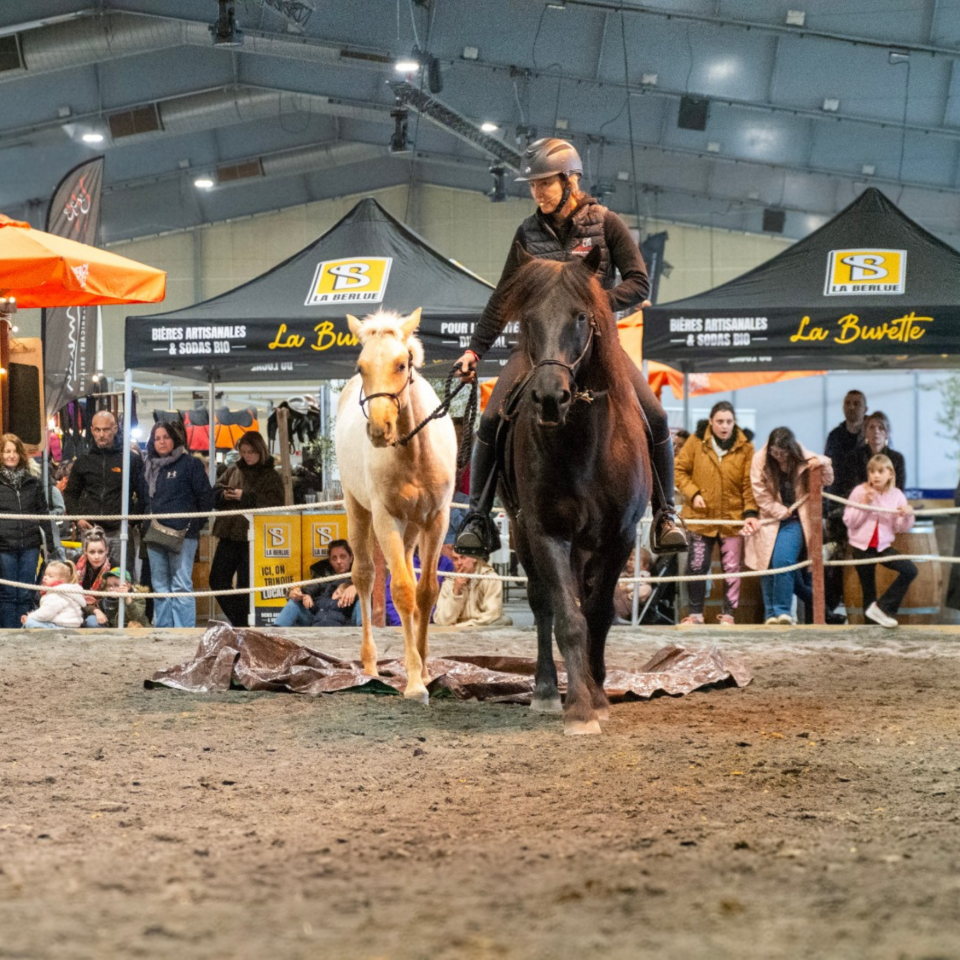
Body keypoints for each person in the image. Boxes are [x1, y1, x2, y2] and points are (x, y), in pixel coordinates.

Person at [452, 137, 685, 560]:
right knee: (490, 419)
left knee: (656, 413)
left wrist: (594, 303)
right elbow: (503, 297)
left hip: (596, 346)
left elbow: (639, 283)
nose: (537, 192)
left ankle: (667, 513)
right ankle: (478, 517)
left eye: (545, 183)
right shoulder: (527, 233)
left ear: (569, 179)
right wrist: (474, 350)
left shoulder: (606, 222)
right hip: (538, 348)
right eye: (533, 185)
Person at [675, 401, 758, 626]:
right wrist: (693, 494)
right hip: (701, 518)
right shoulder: (695, 441)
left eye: (729, 422)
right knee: (696, 565)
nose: (724, 426)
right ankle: (695, 614)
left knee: (731, 569)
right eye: (720, 421)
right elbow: (679, 470)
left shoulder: (746, 447)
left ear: (734, 423)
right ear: (711, 422)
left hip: (732, 519)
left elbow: (748, 484)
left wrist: (750, 512)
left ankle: (728, 615)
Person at [745, 427, 833, 625]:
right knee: (766, 565)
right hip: (769, 519)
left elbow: (827, 479)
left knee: (783, 560)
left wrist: (822, 462)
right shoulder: (760, 459)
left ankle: (783, 611)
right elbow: (759, 492)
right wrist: (778, 510)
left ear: (791, 451)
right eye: (775, 453)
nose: (779, 458)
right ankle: (770, 615)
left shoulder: (804, 457)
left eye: (783, 454)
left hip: (795, 520)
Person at [140, 420, 214, 628]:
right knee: (160, 585)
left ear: (175, 439)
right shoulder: (148, 467)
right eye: (157, 438)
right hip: (155, 534)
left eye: (166, 437)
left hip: (184, 534)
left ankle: (184, 631)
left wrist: (193, 526)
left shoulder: (190, 464)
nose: (162, 442)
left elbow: (205, 498)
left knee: (181, 585)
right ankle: (164, 629)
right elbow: (144, 499)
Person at [210, 431, 285, 626]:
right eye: (243, 452)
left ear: (260, 451)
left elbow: (276, 504)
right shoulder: (233, 469)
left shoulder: (271, 475)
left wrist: (245, 496)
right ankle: (241, 622)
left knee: (246, 585)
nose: (247, 456)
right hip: (229, 534)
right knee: (217, 580)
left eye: (251, 451)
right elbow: (215, 491)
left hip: (255, 537)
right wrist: (223, 495)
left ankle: (243, 625)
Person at [843, 454, 917, 628]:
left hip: (883, 546)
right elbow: (849, 521)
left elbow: (900, 527)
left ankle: (883, 608)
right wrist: (865, 504)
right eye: (872, 471)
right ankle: (871, 632)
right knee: (868, 590)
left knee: (910, 570)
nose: (875, 475)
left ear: (890, 474)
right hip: (861, 546)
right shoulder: (860, 492)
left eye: (880, 471)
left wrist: (908, 515)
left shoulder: (897, 495)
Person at [63, 411, 144, 562]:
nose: (101, 434)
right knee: (91, 580)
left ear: (114, 429)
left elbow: (143, 495)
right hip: (90, 530)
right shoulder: (83, 461)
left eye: (106, 429)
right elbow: (70, 493)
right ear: (92, 430)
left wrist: (131, 522)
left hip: (120, 530)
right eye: (97, 430)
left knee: (123, 578)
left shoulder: (131, 460)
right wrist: (77, 518)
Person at [823, 390, 868, 624]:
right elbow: (828, 474)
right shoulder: (835, 437)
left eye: (857, 403)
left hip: (867, 511)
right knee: (835, 563)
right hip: (838, 508)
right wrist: (829, 507)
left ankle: (864, 609)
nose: (852, 407)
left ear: (865, 409)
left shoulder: (871, 436)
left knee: (862, 560)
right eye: (848, 403)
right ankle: (828, 611)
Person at [0, 433, 51, 629]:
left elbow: (43, 512)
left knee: (26, 592)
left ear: (21, 454)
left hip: (30, 545)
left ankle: (23, 629)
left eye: (14, 451)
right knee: (8, 592)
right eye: (7, 451)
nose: (11, 455)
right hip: (4, 546)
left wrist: (52, 546)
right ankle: (7, 632)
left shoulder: (33, 483)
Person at [273, 539, 357, 627]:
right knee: (293, 603)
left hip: (345, 623)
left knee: (362, 604)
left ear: (351, 558)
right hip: (317, 620)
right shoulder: (323, 574)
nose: (338, 561)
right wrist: (301, 594)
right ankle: (272, 635)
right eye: (334, 558)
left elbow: (370, 593)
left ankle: (366, 637)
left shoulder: (360, 574)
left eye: (343, 557)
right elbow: (309, 589)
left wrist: (356, 588)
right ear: (330, 561)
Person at [433, 550, 508, 628]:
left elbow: (492, 614)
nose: (459, 563)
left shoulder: (490, 578)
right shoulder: (449, 582)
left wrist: (464, 625)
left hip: (481, 627)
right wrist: (456, 591)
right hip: (456, 630)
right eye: (455, 559)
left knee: (503, 620)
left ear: (474, 558)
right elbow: (442, 620)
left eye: (463, 558)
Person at [385, 550, 455, 626]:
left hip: (435, 623)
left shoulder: (447, 564)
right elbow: (391, 599)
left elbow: (446, 600)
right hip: (404, 623)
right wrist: (402, 624)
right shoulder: (404, 563)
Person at [21, 560, 85, 629]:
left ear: (61, 580)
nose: (45, 578)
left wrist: (30, 616)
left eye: (50, 576)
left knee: (29, 622)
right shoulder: (66, 591)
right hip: (68, 625)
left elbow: (45, 614)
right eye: (45, 574)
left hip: (62, 627)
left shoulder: (56, 594)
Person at [855, 411, 906, 492]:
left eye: (881, 428)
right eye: (872, 427)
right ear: (865, 432)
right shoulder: (855, 457)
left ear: (887, 434)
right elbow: (852, 486)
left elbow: (898, 489)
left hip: (889, 502)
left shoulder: (897, 459)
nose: (876, 431)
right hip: (861, 501)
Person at [75, 526, 114, 627]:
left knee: (92, 622)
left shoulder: (114, 567)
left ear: (107, 551)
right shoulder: (75, 566)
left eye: (100, 552)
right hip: (75, 608)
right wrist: (95, 610)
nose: (96, 557)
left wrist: (96, 611)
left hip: (105, 611)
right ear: (85, 552)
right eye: (92, 552)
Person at [613, 548, 652, 623]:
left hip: (626, 605)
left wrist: (628, 591)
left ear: (645, 566)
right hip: (615, 599)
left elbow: (646, 589)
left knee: (647, 588)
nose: (630, 562)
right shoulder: (623, 574)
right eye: (629, 559)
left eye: (635, 560)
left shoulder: (643, 576)